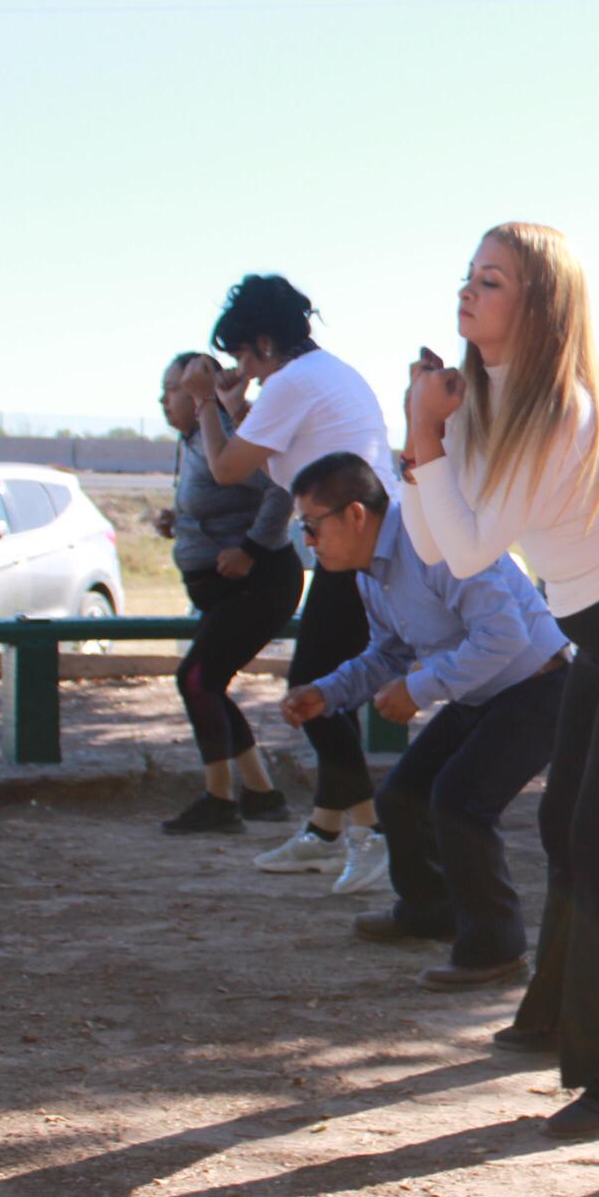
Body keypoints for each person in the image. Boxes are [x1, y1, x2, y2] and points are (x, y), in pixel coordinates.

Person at [399, 222, 599, 1140]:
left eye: (491, 280)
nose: (468, 292)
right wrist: (424, 434)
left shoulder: (557, 409)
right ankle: (556, 1015)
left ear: (539, 305)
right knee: (565, 827)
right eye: (468, 276)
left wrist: (425, 432)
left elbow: (472, 552)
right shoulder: (484, 403)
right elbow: (432, 542)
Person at [281, 451, 572, 987]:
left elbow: (505, 637)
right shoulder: (372, 574)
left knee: (460, 804)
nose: (308, 542)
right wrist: (327, 692)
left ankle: (497, 948)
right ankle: (430, 911)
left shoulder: (431, 542)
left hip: (538, 687)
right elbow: (389, 653)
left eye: (311, 526)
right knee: (402, 796)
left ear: (355, 515)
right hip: (481, 692)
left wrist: (418, 689)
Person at [180, 274, 396, 897]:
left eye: (244, 355)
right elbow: (278, 459)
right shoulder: (323, 374)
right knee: (321, 687)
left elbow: (227, 468)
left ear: (265, 343)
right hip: (365, 543)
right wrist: (232, 407)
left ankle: (373, 834)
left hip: (358, 550)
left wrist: (204, 403)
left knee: (312, 692)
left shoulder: (292, 382)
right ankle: (326, 835)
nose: (243, 369)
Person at [155, 350, 301, 834]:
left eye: (172, 389)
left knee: (195, 679)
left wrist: (251, 549)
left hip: (260, 583)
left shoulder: (228, 432)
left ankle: (219, 800)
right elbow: (217, 500)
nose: (163, 400)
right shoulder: (193, 440)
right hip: (220, 588)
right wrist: (179, 521)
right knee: (209, 683)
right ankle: (262, 793)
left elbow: (281, 488)